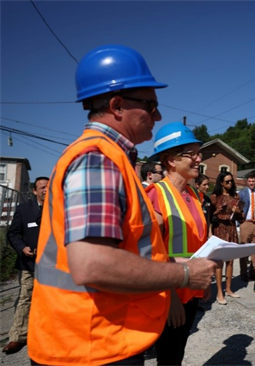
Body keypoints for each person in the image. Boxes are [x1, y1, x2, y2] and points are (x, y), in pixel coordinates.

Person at [27, 44, 218, 366]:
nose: (156, 116)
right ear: (117, 105)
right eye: (150, 105)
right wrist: (183, 274)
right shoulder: (98, 161)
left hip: (93, 338)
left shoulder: (107, 159)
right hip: (87, 345)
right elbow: (92, 264)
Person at [145, 122, 209, 365]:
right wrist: (170, 298)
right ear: (171, 160)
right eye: (191, 154)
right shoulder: (156, 194)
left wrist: (204, 283)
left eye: (198, 152)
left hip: (191, 287)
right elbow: (152, 252)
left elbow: (197, 241)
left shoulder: (193, 194)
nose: (198, 158)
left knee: (177, 353)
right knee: (169, 357)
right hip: (170, 293)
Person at [2, 177, 49, 355]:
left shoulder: (58, 209)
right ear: (35, 191)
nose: (46, 189)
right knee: (26, 297)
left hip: (53, 265)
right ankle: (17, 337)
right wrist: (23, 248)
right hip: (28, 263)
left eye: (49, 186)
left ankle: (46, 334)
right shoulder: (24, 210)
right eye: (42, 187)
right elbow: (13, 234)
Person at [211, 171, 244, 305]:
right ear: (221, 183)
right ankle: (219, 292)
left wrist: (238, 212)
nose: (230, 184)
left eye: (231, 181)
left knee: (230, 261)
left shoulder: (235, 196)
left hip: (231, 229)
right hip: (219, 229)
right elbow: (209, 216)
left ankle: (228, 289)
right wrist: (217, 212)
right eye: (227, 182)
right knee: (219, 262)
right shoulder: (215, 197)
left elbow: (241, 217)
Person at [238, 173, 255, 286]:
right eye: (250, 181)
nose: (251, 183)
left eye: (253, 181)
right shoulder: (242, 193)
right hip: (245, 223)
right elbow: (238, 207)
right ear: (247, 182)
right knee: (244, 250)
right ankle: (243, 273)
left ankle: (253, 272)